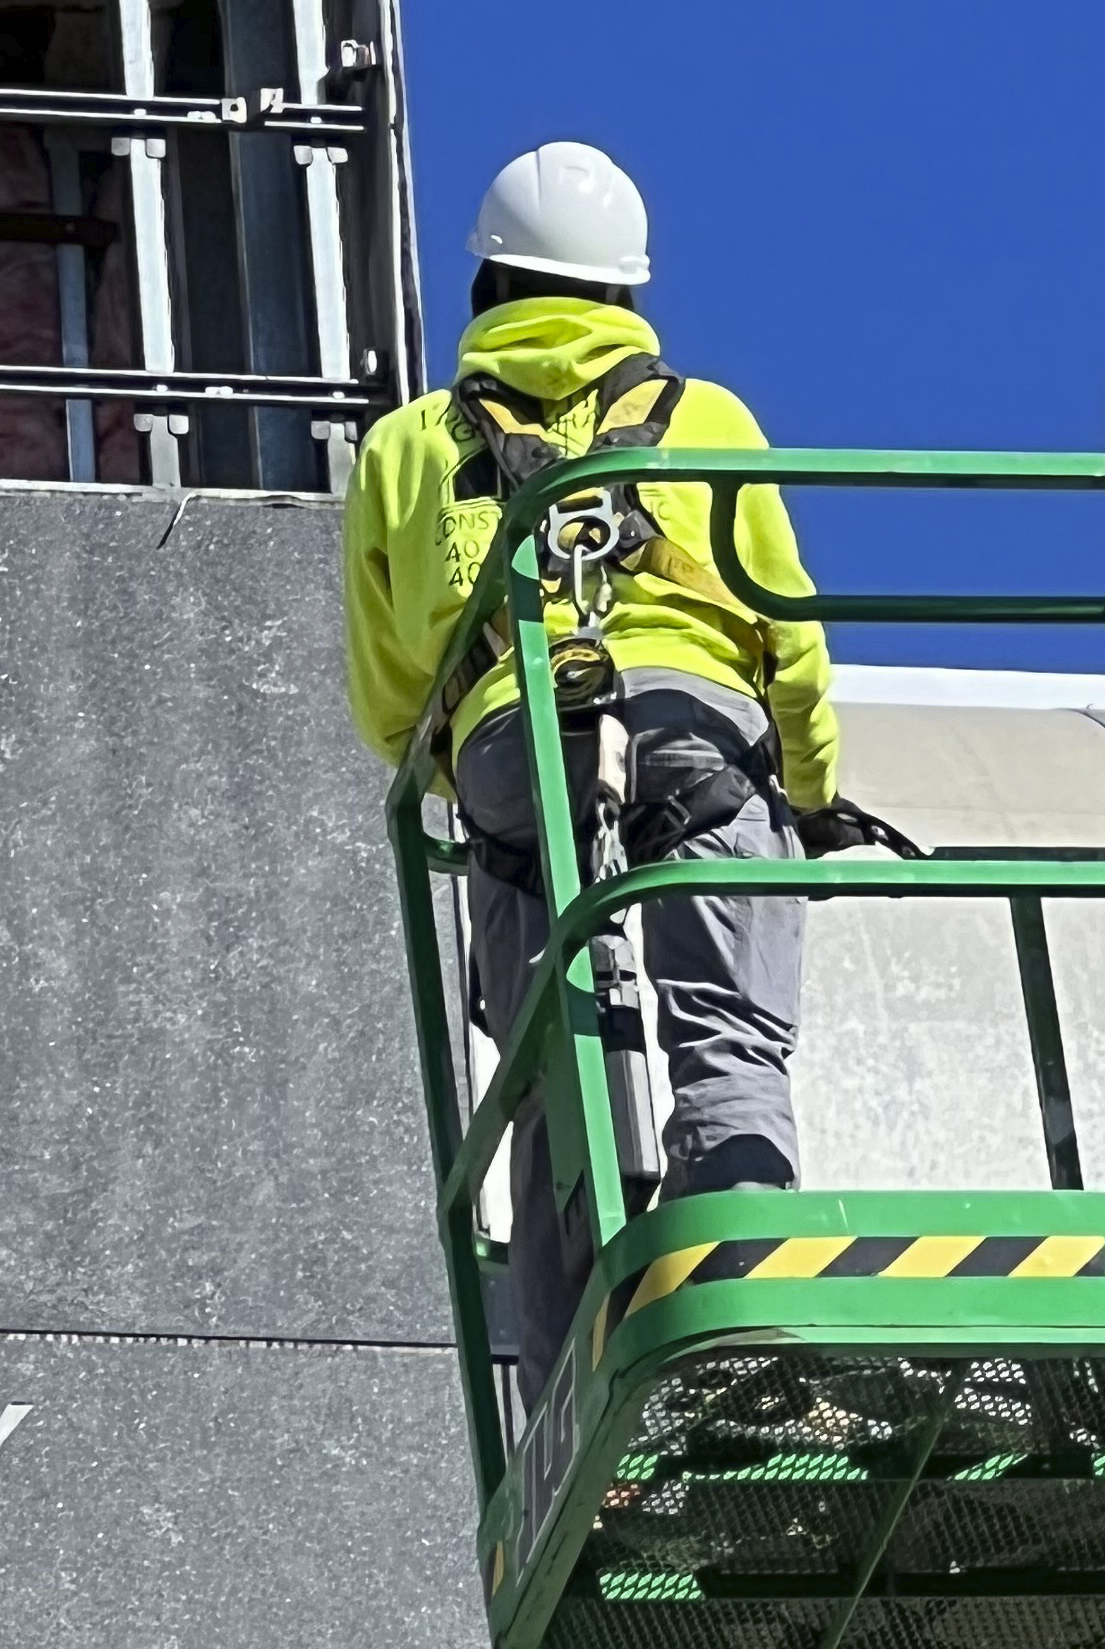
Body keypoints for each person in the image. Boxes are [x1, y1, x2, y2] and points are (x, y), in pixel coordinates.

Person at [344, 141, 865, 1408]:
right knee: (726, 1028)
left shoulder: (410, 448)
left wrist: (478, 772)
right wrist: (805, 790)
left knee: (544, 1070)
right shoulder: (707, 420)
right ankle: (742, 1320)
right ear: (622, 296)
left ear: (490, 288)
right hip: (699, 720)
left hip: (511, 751)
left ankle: (574, 1389)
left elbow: (384, 700)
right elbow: (787, 637)